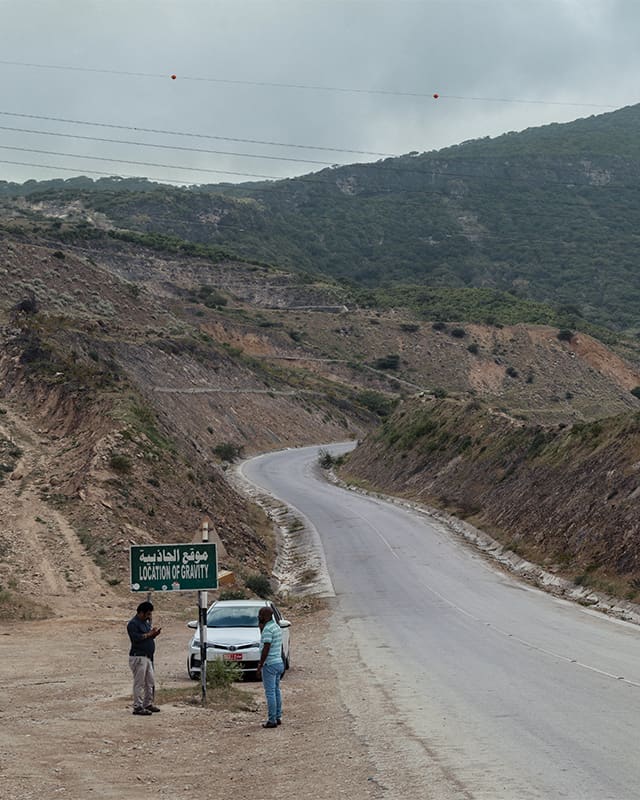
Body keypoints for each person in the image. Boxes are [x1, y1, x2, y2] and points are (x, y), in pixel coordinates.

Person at [127, 600, 162, 716]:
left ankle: (147, 703)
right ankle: (137, 706)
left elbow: (148, 637)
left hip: (147, 657)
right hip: (138, 656)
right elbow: (136, 638)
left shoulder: (145, 623)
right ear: (141, 613)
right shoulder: (133, 624)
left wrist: (154, 634)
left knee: (150, 682)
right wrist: (149, 634)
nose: (149, 616)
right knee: (139, 683)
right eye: (148, 614)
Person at [256, 606, 284, 728]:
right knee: (276, 691)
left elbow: (266, 648)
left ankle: (272, 720)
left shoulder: (267, 629)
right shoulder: (276, 627)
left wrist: (260, 664)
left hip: (270, 664)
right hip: (278, 662)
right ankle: (278, 716)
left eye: (260, 615)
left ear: (265, 616)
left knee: (270, 692)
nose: (259, 617)